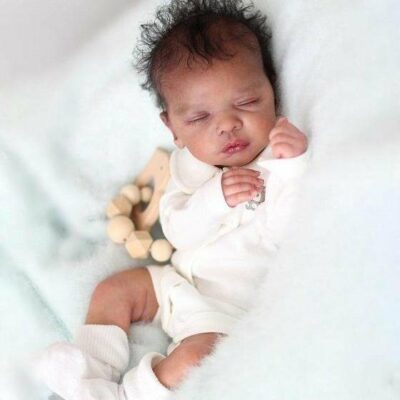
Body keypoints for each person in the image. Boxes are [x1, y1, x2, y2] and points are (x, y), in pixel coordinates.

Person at [36, 0, 309, 399]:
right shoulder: (188, 167)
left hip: (222, 312)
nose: (227, 125)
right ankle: (89, 374)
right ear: (174, 129)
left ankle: (126, 395)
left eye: (247, 102)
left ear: (273, 91)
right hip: (174, 284)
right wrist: (215, 200)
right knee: (114, 290)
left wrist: (292, 166)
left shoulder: (279, 163)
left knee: (197, 357)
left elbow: (289, 231)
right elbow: (179, 230)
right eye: (199, 118)